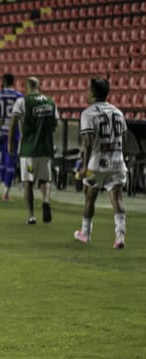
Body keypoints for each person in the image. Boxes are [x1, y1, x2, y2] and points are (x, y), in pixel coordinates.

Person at [74, 78, 128, 249]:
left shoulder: (88, 113)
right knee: (117, 199)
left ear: (91, 92)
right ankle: (119, 236)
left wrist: (84, 167)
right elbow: (125, 137)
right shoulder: (118, 112)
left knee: (90, 198)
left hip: (96, 162)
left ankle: (85, 233)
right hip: (117, 160)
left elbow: (88, 141)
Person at [8, 77, 58, 224]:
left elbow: (14, 122)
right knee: (45, 179)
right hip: (46, 148)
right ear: (39, 86)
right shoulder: (50, 101)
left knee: (28, 182)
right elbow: (55, 124)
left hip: (29, 149)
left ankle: (31, 215)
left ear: (26, 87)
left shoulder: (22, 102)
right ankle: (46, 201)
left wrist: (11, 142)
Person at [0, 73, 23, 201]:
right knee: (10, 161)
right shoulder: (19, 96)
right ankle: (6, 192)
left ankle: (2, 184)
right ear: (13, 82)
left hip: (0, 132)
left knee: (2, 160)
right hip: (13, 132)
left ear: (3, 81)